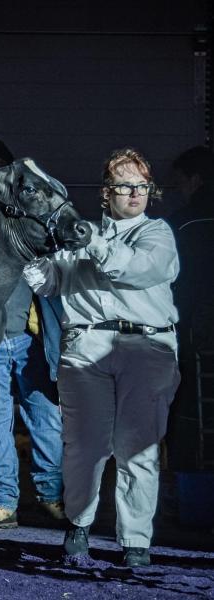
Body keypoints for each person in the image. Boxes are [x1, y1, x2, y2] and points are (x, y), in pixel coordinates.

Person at [24, 147, 181, 567]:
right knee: (83, 447)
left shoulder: (157, 234)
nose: (135, 193)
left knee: (139, 449)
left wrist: (90, 242)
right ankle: (79, 523)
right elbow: (51, 279)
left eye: (142, 186)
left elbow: (138, 270)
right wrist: (36, 255)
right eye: (125, 185)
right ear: (105, 192)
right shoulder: (83, 234)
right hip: (86, 348)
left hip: (147, 348)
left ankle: (136, 541)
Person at [0, 139, 65, 530]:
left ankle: (52, 495)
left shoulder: (33, 219)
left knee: (45, 416)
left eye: (1, 171)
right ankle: (2, 500)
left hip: (29, 339)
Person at [166, 146, 214, 470]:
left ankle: (188, 481)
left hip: (193, 327)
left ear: (195, 181)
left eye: (180, 183)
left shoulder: (180, 224)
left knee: (188, 407)